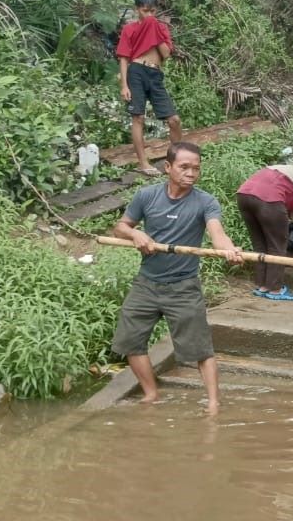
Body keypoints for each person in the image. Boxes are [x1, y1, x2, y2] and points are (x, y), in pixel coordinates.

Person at [110, 142, 244, 416]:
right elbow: (121, 226)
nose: (191, 173)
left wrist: (227, 249)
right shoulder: (146, 196)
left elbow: (217, 233)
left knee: (200, 348)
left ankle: (214, 404)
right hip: (146, 283)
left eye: (196, 168)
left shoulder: (205, 202)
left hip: (183, 286)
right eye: (184, 167)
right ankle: (151, 393)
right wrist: (136, 235)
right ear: (168, 167)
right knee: (130, 340)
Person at [235, 154, 293, 302]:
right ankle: (276, 290)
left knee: (260, 245)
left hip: (243, 196)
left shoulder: (283, 169)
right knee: (277, 247)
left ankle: (262, 286)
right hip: (269, 201)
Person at [117, 0, 182, 177]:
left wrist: (155, 32)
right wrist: (124, 85)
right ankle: (143, 163)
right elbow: (123, 58)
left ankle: (176, 158)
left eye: (153, 11)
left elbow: (166, 54)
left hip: (155, 74)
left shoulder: (160, 27)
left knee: (174, 120)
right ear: (137, 9)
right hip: (136, 71)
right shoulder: (129, 29)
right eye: (145, 11)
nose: (149, 15)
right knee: (138, 118)